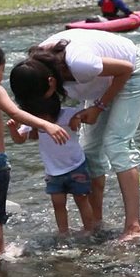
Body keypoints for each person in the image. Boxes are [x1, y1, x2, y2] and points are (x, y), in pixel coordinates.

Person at [9, 28, 140, 241]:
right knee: (90, 150)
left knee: (116, 144)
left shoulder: (81, 64)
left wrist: (99, 107)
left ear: (50, 82)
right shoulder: (34, 69)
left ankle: (134, 226)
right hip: (104, 86)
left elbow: (126, 68)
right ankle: (96, 222)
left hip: (133, 73)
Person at [0, 39, 70, 269]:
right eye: (1, 71)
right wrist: (46, 125)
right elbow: (16, 113)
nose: (1, 77)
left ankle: (1, 248)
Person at [6, 93, 94, 236]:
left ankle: (89, 230)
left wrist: (78, 117)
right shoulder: (34, 122)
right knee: (58, 204)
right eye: (39, 118)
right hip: (53, 172)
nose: (43, 123)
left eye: (46, 118)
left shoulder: (66, 114)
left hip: (76, 166)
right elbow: (20, 140)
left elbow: (91, 113)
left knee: (82, 199)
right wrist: (12, 130)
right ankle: (63, 233)